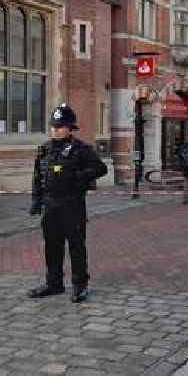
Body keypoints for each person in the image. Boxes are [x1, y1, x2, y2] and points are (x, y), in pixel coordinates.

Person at [28, 103, 108, 303]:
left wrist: (77, 176)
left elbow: (100, 168)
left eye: (60, 126)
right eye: (53, 126)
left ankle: (80, 286)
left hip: (72, 205)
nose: (55, 130)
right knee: (52, 246)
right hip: (50, 205)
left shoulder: (81, 149)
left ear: (70, 128)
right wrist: (36, 200)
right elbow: (38, 176)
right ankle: (54, 283)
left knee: (76, 246)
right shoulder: (44, 149)